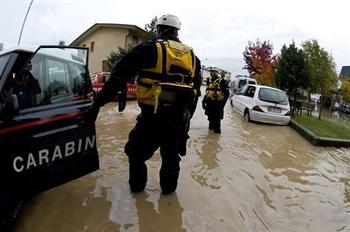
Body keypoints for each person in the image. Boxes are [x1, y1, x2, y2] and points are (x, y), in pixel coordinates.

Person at [88, 14, 202, 194]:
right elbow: (195, 93)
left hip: (152, 117)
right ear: (177, 31)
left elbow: (118, 77)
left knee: (134, 152)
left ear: (158, 29)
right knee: (171, 157)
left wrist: (98, 103)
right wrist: (186, 120)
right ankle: (168, 197)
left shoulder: (149, 48)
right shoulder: (193, 57)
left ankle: (138, 191)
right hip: (180, 118)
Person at [202, 68, 229, 134]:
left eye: (213, 72)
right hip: (209, 102)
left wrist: (223, 105)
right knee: (210, 118)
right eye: (211, 71)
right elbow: (207, 91)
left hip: (218, 103)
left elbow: (227, 94)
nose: (211, 73)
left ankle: (216, 135)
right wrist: (203, 101)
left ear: (217, 73)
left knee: (217, 119)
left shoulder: (222, 81)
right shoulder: (209, 80)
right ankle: (210, 135)